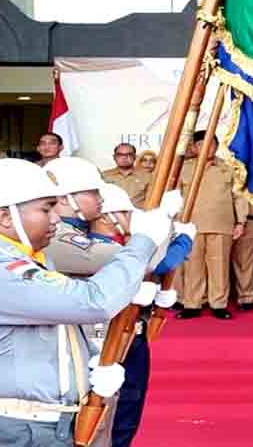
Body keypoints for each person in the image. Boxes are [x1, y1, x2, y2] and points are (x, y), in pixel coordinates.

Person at [0, 158, 174, 446]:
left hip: (41, 425)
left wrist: (91, 367)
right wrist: (143, 242)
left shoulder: (28, 258)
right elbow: (93, 302)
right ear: (5, 216)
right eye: (46, 209)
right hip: (14, 429)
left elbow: (57, 332)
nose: (55, 219)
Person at [82, 182, 195, 447]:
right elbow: (156, 263)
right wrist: (183, 240)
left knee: (129, 411)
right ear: (105, 217)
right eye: (125, 213)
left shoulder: (123, 245)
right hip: (107, 341)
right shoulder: (97, 248)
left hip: (132, 334)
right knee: (111, 419)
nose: (130, 218)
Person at [177, 130, 248, 320]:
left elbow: (239, 197)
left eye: (211, 144)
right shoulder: (183, 169)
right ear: (194, 147)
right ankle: (192, 304)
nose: (207, 148)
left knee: (220, 267)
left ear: (217, 147)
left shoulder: (228, 168)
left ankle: (219, 304)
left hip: (221, 224)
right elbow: (175, 197)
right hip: (191, 226)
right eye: (201, 144)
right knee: (192, 267)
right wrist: (175, 223)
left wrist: (240, 222)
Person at [102, 143, 151, 208]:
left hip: (138, 212)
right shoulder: (104, 176)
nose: (124, 157)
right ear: (114, 157)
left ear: (135, 157)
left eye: (129, 154)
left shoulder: (148, 177)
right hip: (111, 212)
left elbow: (152, 201)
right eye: (120, 154)